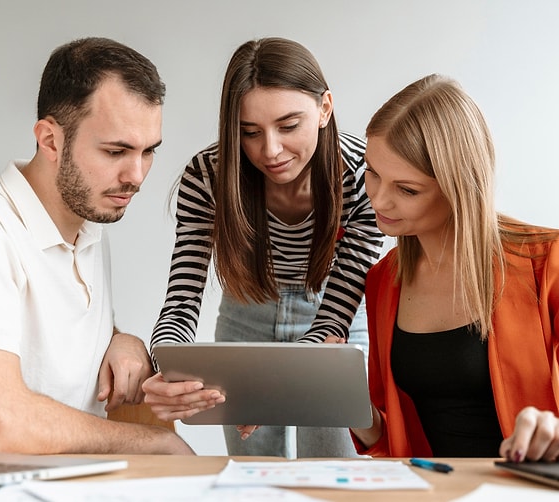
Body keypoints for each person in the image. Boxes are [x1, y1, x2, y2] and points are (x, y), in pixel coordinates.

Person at [143, 37, 384, 458]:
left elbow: (332, 322)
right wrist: (168, 366)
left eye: (289, 126)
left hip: (337, 319)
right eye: (249, 132)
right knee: (254, 475)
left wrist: (278, 382)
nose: (269, 151)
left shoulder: (364, 174)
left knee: (335, 474)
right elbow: (182, 298)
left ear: (325, 108)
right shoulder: (208, 175)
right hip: (246, 316)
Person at [0, 37, 194, 455]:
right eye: (116, 150)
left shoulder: (88, 232)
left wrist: (122, 339)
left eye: (147, 152)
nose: (136, 176)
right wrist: (152, 444)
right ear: (50, 140)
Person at [350, 73, 559, 461]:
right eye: (373, 173)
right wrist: (343, 403)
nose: (379, 199)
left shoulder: (548, 264)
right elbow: (390, 442)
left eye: (407, 189)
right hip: (431, 490)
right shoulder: (384, 280)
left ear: (459, 187)